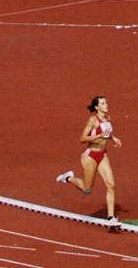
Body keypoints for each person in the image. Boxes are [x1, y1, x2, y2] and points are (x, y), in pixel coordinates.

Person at [56, 96, 122, 225]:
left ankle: (110, 218)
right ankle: (68, 178)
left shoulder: (108, 118)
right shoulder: (93, 120)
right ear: (97, 107)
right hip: (90, 156)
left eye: (106, 102)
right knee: (87, 189)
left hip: (102, 155)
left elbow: (107, 133)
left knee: (111, 185)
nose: (106, 105)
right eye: (103, 103)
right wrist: (99, 135)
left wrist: (113, 139)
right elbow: (83, 138)